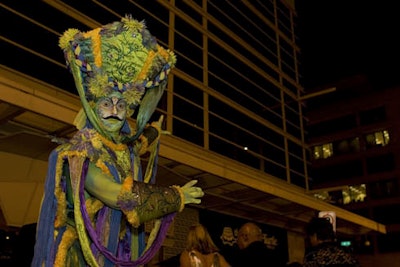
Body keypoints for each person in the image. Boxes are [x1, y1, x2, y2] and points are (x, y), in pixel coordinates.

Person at [31, 15, 204, 267]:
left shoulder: (119, 144)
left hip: (114, 248)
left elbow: (136, 143)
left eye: (120, 104)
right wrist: (175, 197)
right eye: (106, 103)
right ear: (92, 107)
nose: (114, 109)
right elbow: (116, 194)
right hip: (82, 254)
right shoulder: (80, 153)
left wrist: (154, 132)